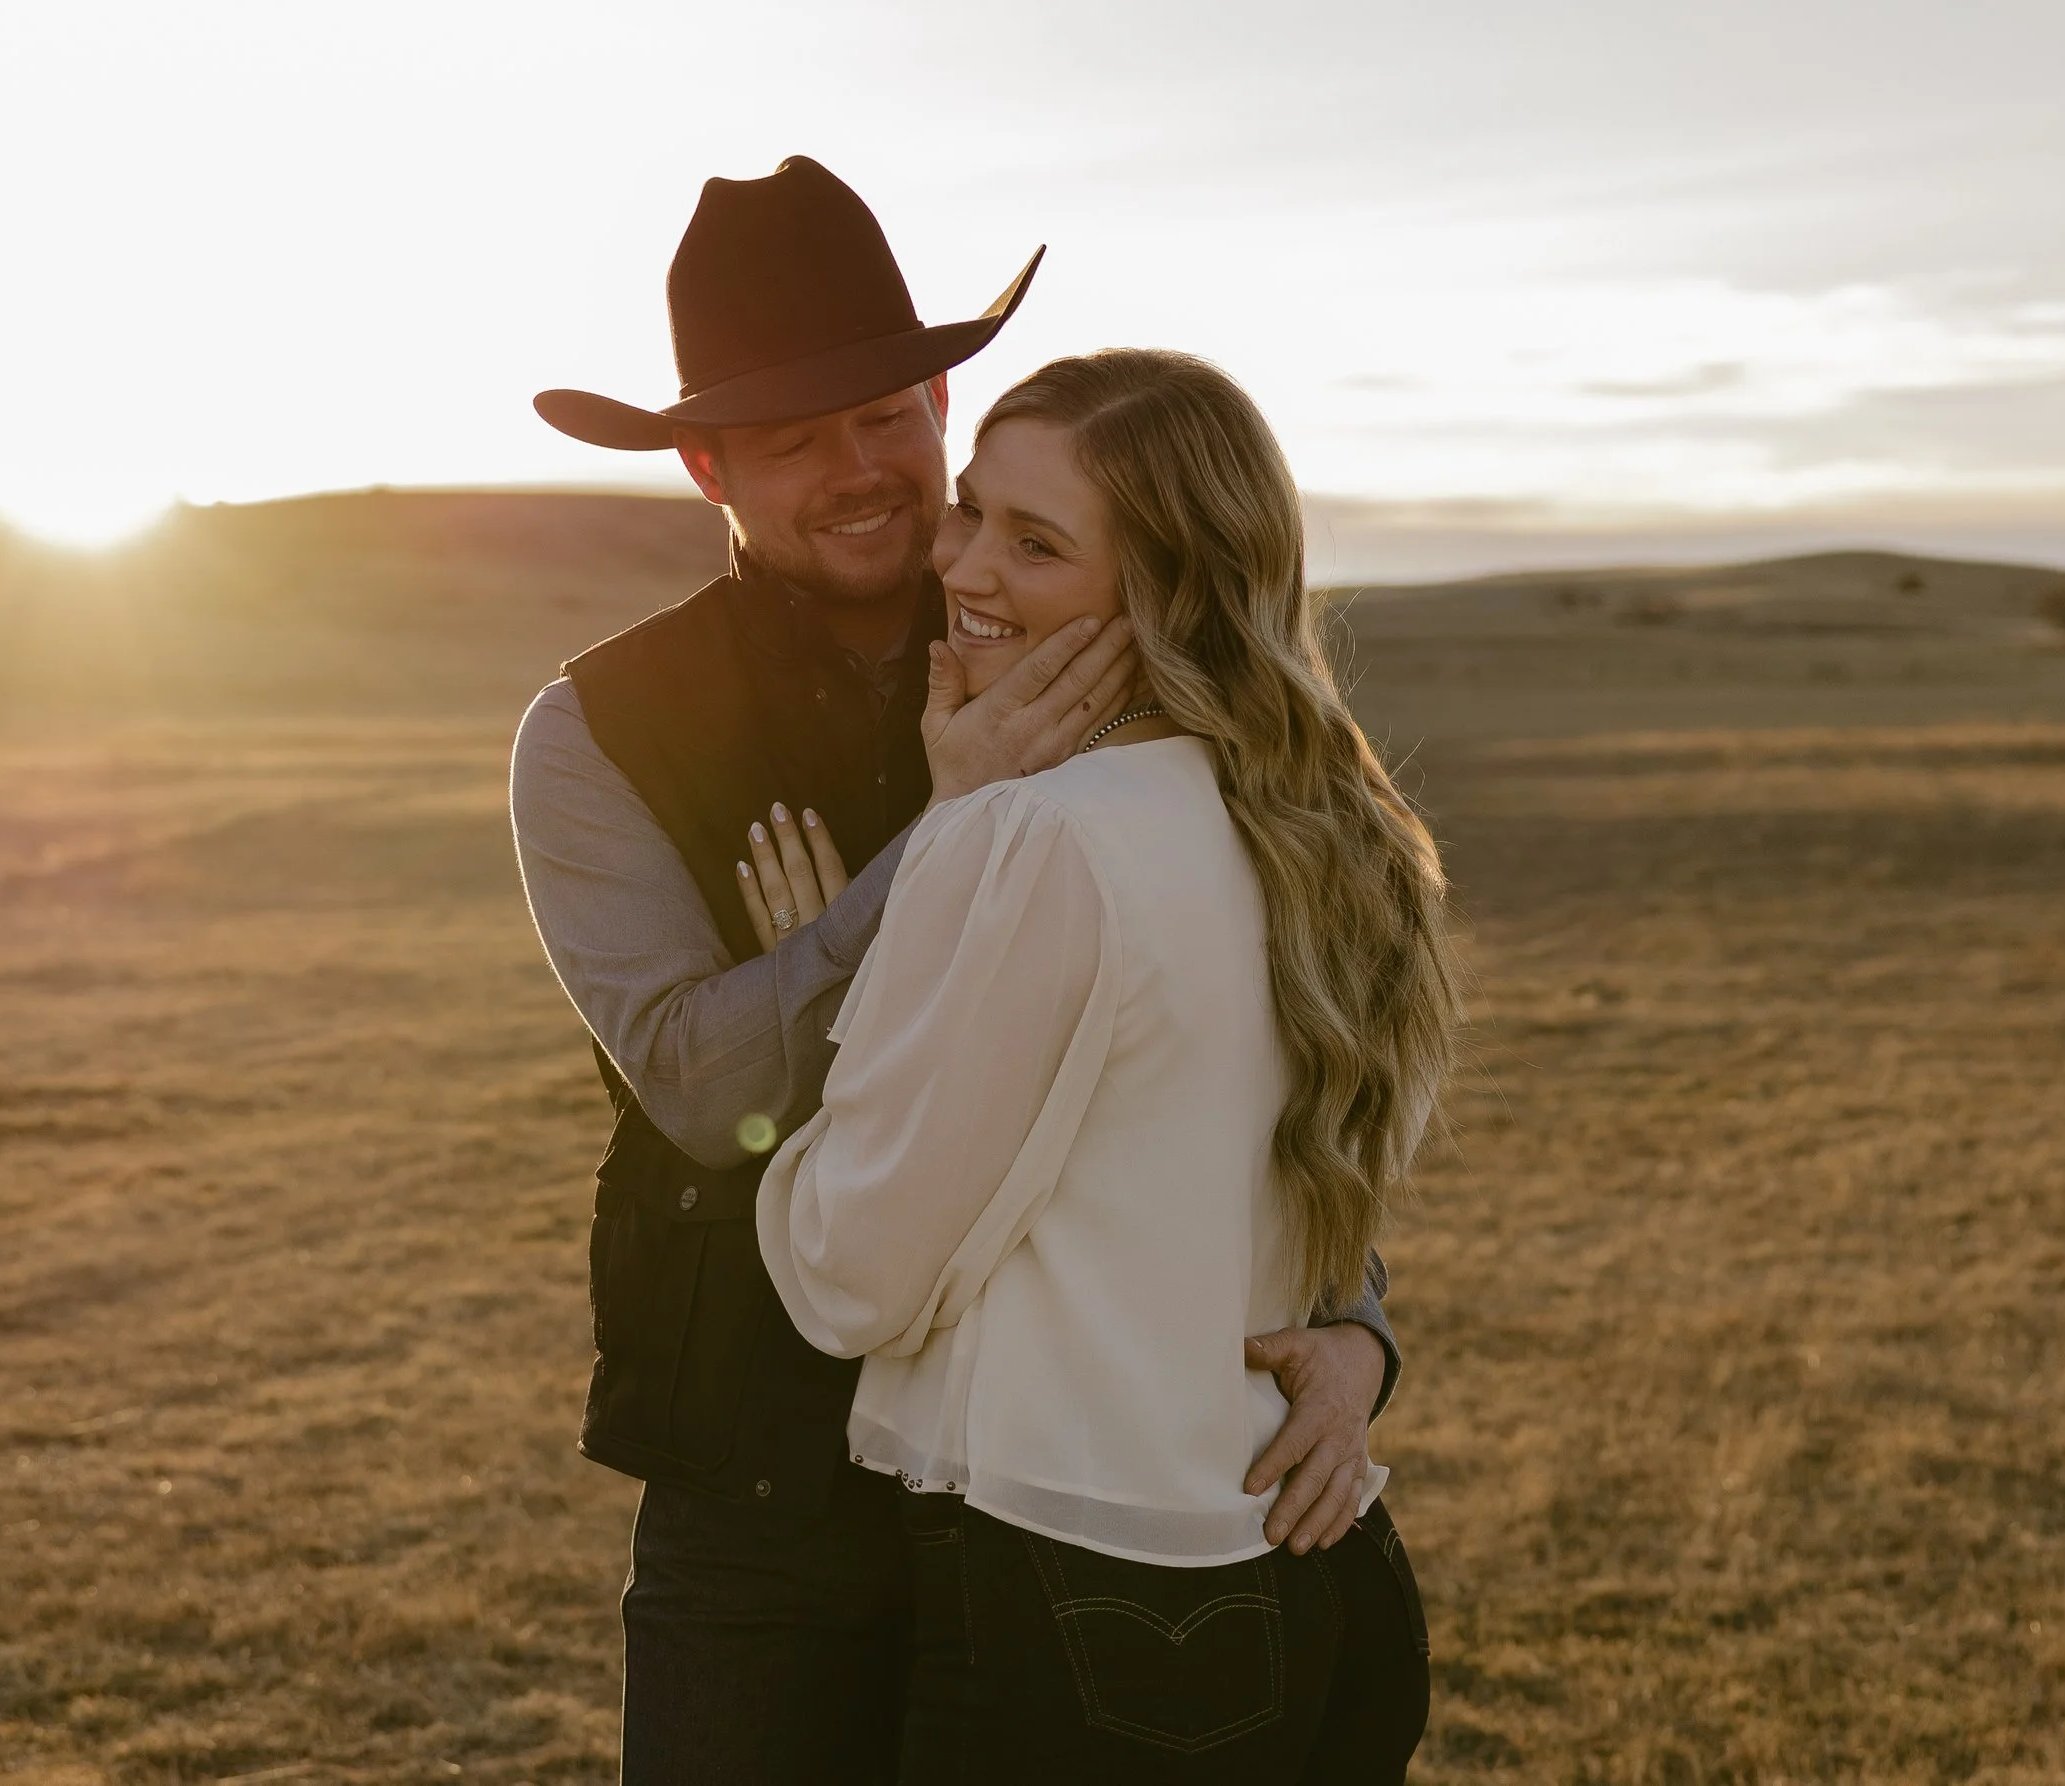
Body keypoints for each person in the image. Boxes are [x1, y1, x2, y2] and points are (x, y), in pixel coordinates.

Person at [510, 158, 1404, 1784]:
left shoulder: (1076, 611)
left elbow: (1240, 1026)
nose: (861, 472)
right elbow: (706, 1089)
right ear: (707, 466)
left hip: (1042, 1494)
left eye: (885, 416)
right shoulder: (597, 731)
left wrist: (1354, 1326)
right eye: (793, 442)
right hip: (764, 1490)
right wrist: (947, 834)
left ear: (941, 402)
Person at [750, 349, 1461, 1781]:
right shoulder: (1328, 825)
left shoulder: (1034, 836)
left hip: (1096, 1621)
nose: (964, 568)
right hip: (1322, 1573)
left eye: (1037, 543)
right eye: (973, 511)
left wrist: (861, 993)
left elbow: (850, 1274)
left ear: (1167, 592)